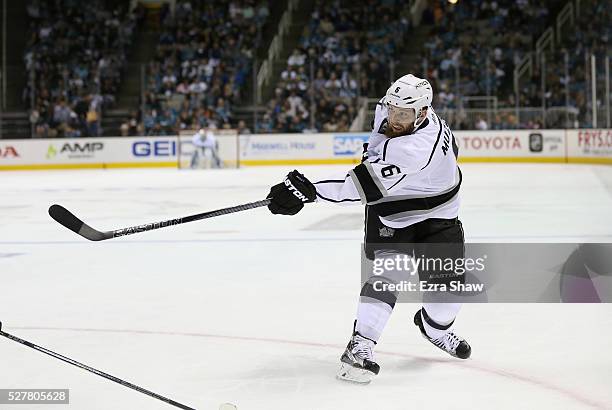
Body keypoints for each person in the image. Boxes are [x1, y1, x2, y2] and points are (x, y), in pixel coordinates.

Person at [266, 74, 471, 384]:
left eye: (404, 114)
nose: (395, 119)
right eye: (393, 110)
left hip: (440, 217)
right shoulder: (392, 112)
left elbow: (355, 187)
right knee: (388, 277)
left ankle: (435, 328)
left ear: (424, 114)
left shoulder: (415, 149)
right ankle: (361, 344)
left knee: (448, 296)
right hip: (392, 216)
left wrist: (307, 191)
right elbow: (368, 181)